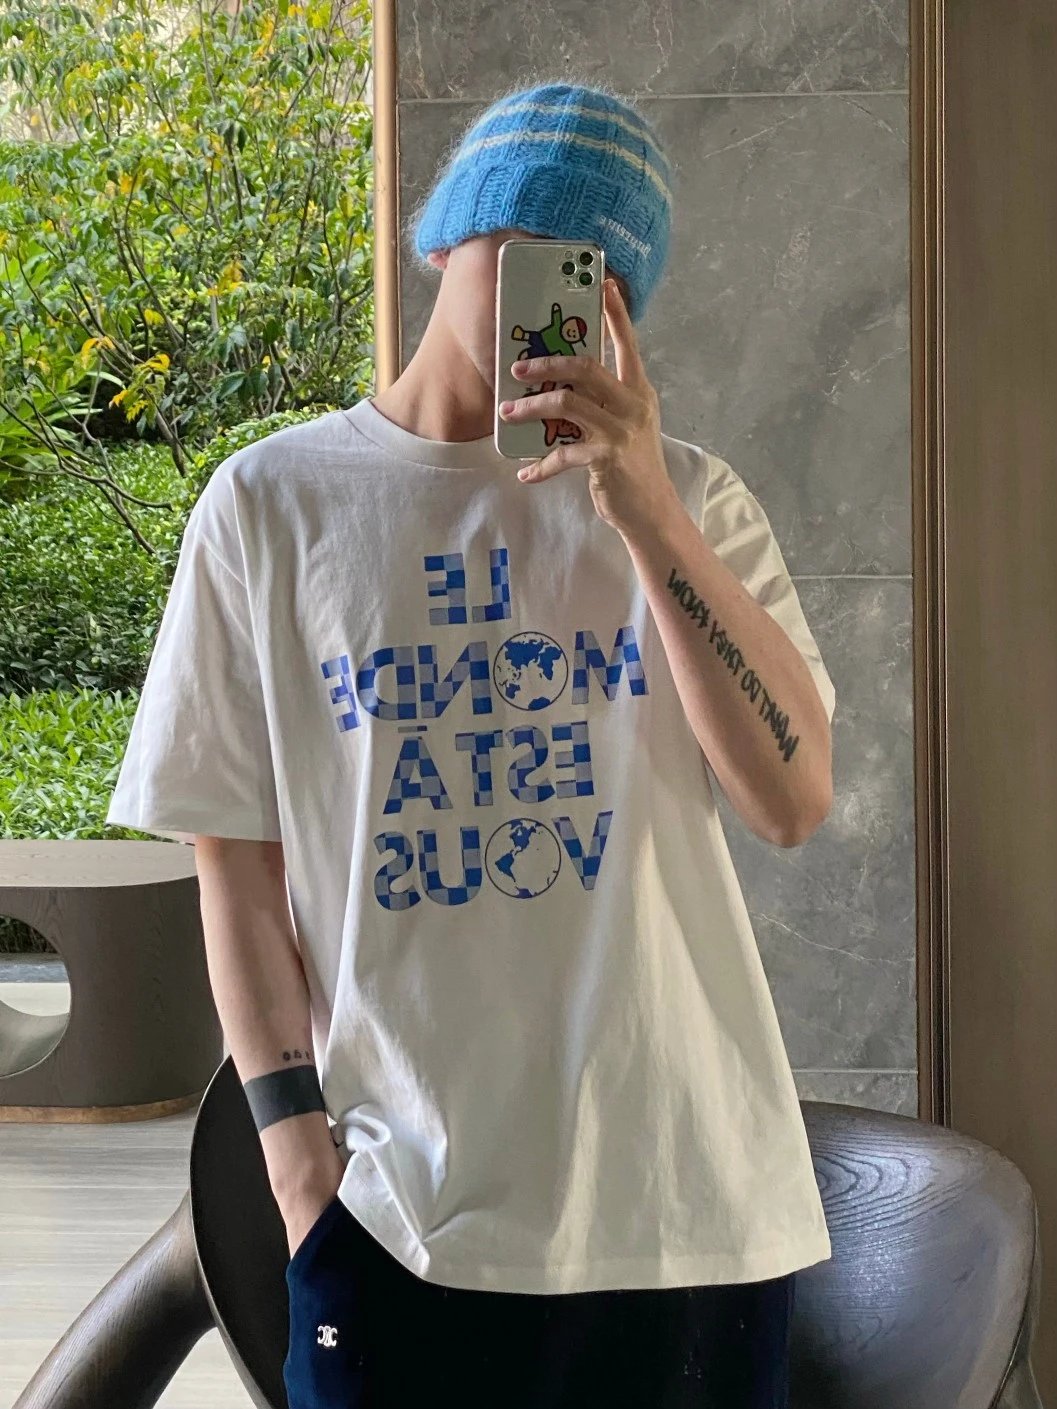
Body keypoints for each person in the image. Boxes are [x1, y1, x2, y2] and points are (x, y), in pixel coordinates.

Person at [105, 79, 836, 1408]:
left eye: (595, 273)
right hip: (396, 1219)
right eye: (529, 243)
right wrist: (300, 1172)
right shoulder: (271, 508)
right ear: (445, 241)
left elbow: (790, 799)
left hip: (687, 1213)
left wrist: (646, 513)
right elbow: (236, 874)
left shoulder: (690, 502)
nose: (548, 295)